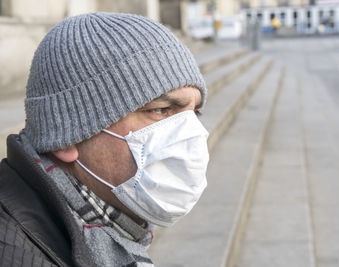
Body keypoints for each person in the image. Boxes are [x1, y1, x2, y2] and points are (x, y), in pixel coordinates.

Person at [0, 12, 209, 267]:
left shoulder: (116, 231)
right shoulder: (15, 253)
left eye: (195, 111)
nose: (191, 133)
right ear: (67, 135)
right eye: (160, 110)